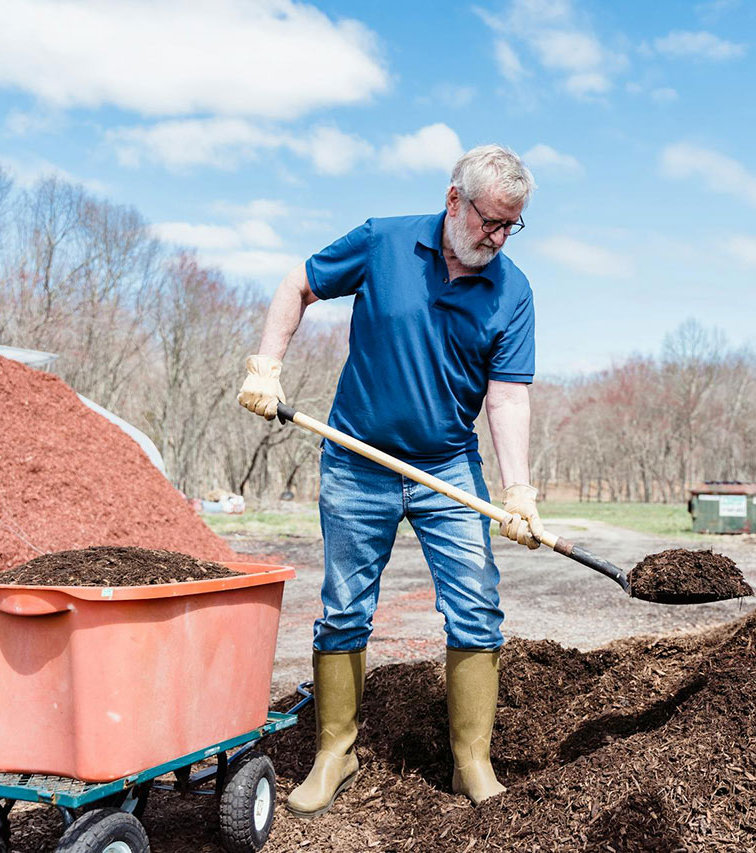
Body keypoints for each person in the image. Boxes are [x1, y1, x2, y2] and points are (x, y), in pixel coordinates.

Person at [237, 145, 547, 816]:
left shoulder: (511, 290)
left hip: (446, 468)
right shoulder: (382, 241)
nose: (496, 237)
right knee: (344, 609)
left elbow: (508, 397)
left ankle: (471, 761)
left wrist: (518, 490)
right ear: (453, 200)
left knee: (476, 609)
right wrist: (266, 365)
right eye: (488, 220)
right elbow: (299, 282)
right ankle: (335, 753)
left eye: (510, 226)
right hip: (356, 461)